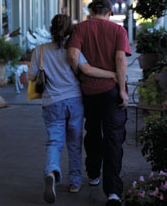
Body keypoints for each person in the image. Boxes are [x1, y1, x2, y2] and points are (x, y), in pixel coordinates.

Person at [29, 14, 119, 204]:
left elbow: (31, 77)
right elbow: (87, 70)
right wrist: (113, 74)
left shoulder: (40, 51)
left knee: (54, 141)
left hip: (51, 103)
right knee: (74, 143)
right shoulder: (73, 50)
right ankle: (75, 182)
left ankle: (52, 171)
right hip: (74, 101)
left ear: (51, 29)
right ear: (71, 30)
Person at [67, 0, 131, 206]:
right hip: (112, 91)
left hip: (89, 91)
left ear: (90, 10)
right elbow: (121, 60)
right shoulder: (118, 31)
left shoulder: (80, 28)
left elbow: (73, 56)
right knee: (113, 138)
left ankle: (93, 173)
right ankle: (112, 191)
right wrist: (122, 89)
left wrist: (80, 76)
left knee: (93, 130)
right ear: (110, 12)